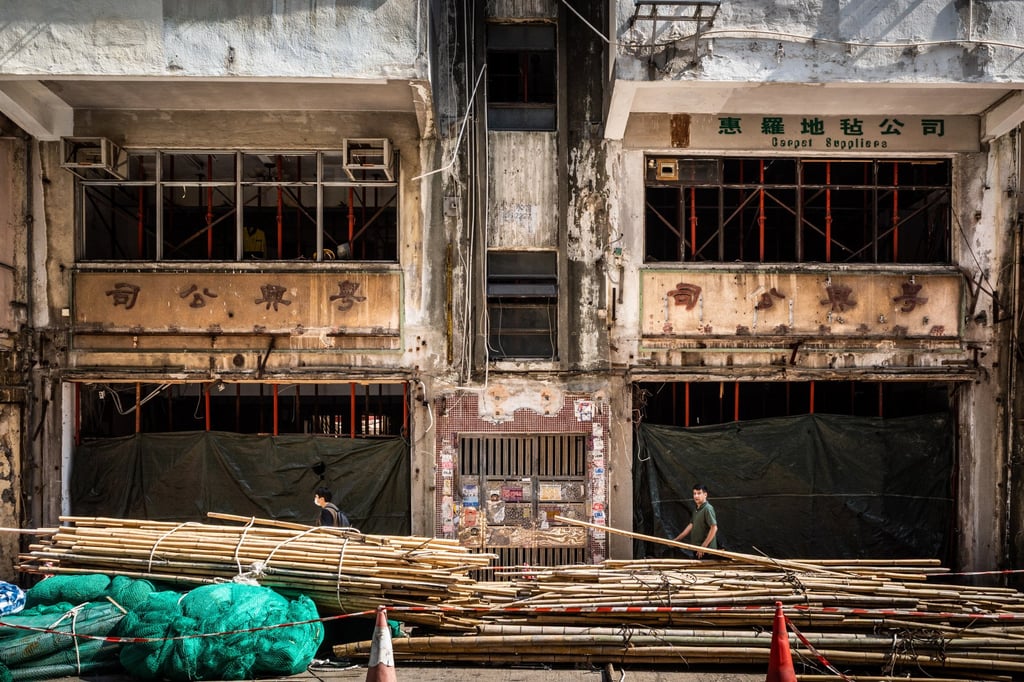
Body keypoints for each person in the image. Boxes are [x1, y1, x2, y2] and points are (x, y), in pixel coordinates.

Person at [672, 483, 718, 558]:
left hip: (706, 551)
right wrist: (676, 540)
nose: (696, 496)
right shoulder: (696, 509)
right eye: (694, 493)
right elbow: (691, 525)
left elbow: (714, 528)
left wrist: (703, 546)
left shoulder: (707, 509)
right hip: (697, 549)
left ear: (705, 495)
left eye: (699, 493)